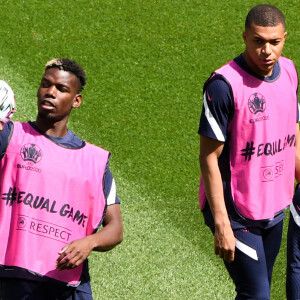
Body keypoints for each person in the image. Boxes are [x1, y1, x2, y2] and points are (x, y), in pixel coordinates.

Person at [0, 58, 123, 300]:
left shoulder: (95, 162)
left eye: (61, 88)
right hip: (10, 280)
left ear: (76, 101)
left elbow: (115, 229)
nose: (50, 92)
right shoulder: (10, 137)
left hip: (68, 287)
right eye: (46, 84)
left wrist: (89, 242)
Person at [198, 4, 298, 299]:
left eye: (274, 42)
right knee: (256, 294)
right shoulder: (223, 86)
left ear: (284, 38)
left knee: (258, 288)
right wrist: (222, 223)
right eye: (258, 41)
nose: (266, 51)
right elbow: (209, 157)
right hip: (236, 213)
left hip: (273, 205)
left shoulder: (290, 71)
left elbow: (291, 131)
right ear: (244, 37)